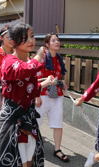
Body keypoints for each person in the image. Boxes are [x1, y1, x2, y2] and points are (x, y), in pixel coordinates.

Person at [0, 23, 54, 167]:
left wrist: (44, 84)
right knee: (12, 159)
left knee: (30, 160)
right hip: (12, 117)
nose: (31, 41)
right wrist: (37, 58)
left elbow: (29, 89)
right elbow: (23, 70)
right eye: (25, 38)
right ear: (13, 42)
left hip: (28, 116)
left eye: (32, 36)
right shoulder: (9, 61)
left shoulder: (28, 62)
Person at [35, 33, 69, 162]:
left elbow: (58, 76)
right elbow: (35, 78)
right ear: (47, 44)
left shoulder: (59, 58)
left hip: (56, 94)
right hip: (42, 94)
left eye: (58, 40)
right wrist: (36, 96)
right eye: (53, 40)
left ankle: (57, 149)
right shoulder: (41, 58)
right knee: (36, 123)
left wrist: (62, 82)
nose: (57, 42)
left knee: (58, 123)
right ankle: (33, 148)